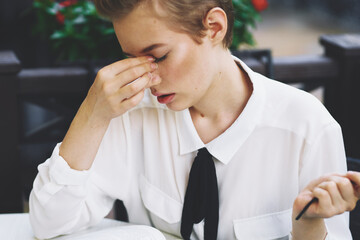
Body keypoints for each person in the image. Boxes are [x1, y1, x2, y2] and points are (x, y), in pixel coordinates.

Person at [29, 0, 360, 239]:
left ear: (213, 27)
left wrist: (309, 224)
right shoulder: (132, 114)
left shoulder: (308, 127)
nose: (147, 77)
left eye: (158, 56)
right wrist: (92, 111)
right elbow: (49, 222)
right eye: (131, 59)